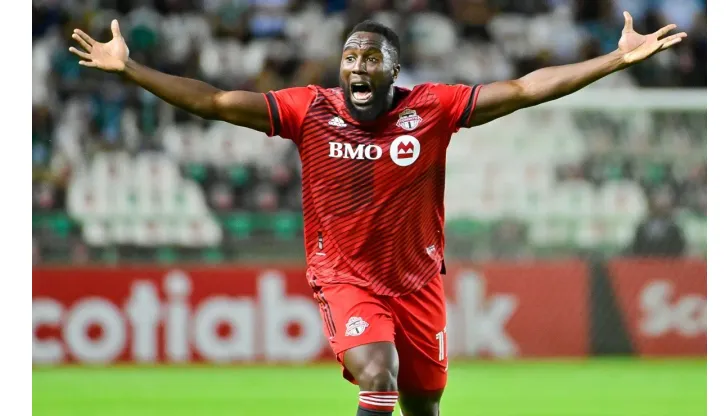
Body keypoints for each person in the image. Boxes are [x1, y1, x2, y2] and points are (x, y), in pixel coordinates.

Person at [69, 13, 687, 416]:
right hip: (346, 278)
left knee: (424, 407)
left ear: (393, 70)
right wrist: (129, 69)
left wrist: (614, 60)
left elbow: (525, 89)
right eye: (350, 59)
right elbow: (217, 102)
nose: (357, 68)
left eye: (370, 60)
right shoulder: (310, 110)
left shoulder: (432, 107)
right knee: (377, 373)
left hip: (417, 284)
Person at [630, 187, 687, 257]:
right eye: (658, 199)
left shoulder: (673, 228)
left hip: (670, 265)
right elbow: (636, 250)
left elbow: (680, 250)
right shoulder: (642, 228)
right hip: (645, 265)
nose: (661, 203)